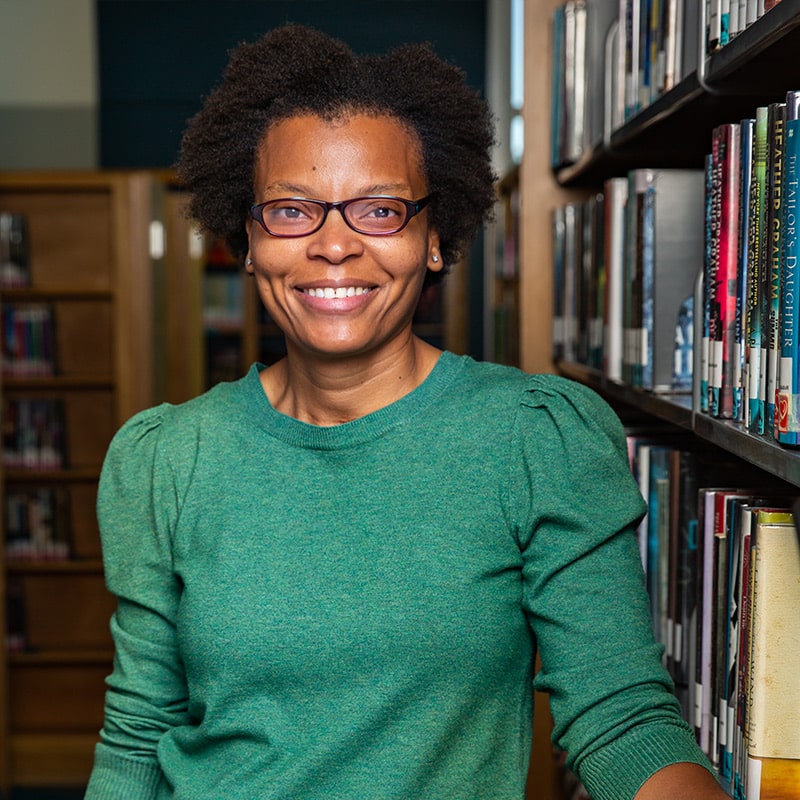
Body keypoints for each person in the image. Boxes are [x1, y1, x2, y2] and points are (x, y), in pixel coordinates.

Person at [84, 24, 728, 800]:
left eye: (380, 211)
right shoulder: (164, 458)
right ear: (246, 240)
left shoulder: (535, 438)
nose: (333, 246)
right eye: (292, 211)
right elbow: (137, 739)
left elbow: (620, 718)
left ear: (432, 237)